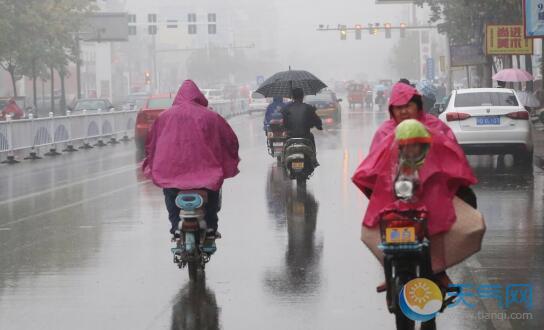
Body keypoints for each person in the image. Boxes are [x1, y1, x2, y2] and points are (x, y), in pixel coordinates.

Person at [142, 80, 240, 239]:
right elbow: (229, 140)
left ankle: (175, 226)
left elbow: (152, 143)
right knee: (214, 190)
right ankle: (211, 227)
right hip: (206, 173)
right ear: (198, 96)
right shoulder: (211, 116)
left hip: (171, 172)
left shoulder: (164, 117)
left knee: (169, 193)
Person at [280, 87, 323, 166]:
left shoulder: (285, 109)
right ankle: (314, 159)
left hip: (290, 136)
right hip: (305, 136)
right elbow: (317, 121)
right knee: (311, 136)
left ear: (292, 97)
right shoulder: (308, 108)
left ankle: (283, 160)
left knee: (285, 143)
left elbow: (284, 124)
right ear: (303, 96)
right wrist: (319, 126)